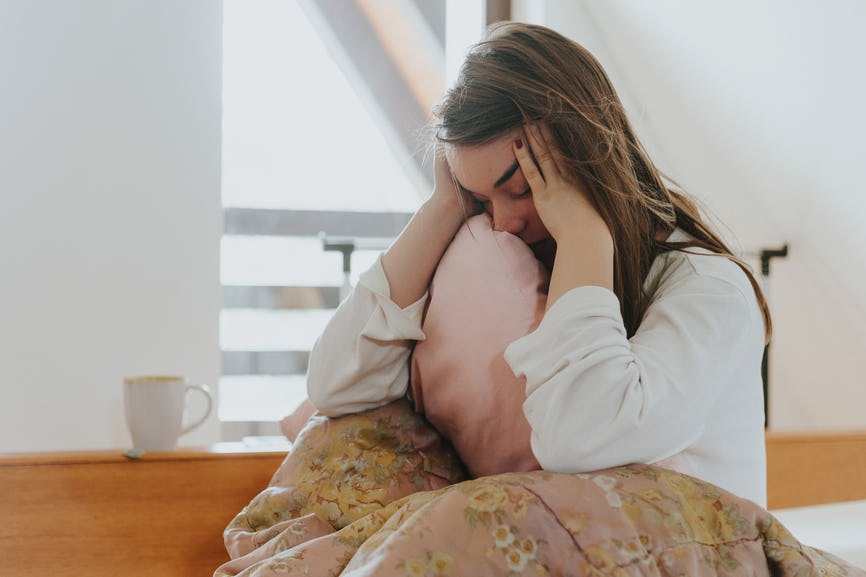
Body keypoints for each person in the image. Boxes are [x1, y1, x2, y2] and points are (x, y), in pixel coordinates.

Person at [306, 22, 770, 506]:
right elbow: (334, 385)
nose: (501, 223)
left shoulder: (711, 291)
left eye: (522, 187)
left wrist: (584, 235)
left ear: (587, 152)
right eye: (481, 199)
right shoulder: (517, 262)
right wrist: (444, 207)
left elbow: (577, 439)